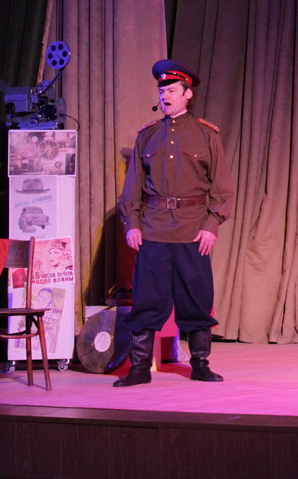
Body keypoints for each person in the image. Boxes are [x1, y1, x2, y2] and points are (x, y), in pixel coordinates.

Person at [114, 59, 233, 386]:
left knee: (196, 299)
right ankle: (140, 368)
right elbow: (132, 186)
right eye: (161, 90)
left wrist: (211, 225)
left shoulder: (206, 135)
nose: (164, 96)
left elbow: (221, 188)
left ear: (187, 94)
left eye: (171, 90)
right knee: (147, 300)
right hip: (153, 229)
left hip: (193, 231)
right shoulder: (147, 136)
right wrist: (132, 223)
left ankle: (200, 364)